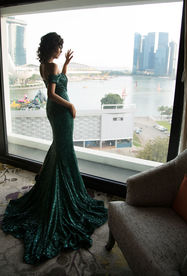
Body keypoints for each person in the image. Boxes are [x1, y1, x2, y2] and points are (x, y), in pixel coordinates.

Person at [1, 32, 108, 265]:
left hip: (54, 111)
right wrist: (70, 104)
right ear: (53, 47)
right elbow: (53, 93)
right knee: (65, 149)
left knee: (60, 149)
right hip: (61, 111)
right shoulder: (52, 64)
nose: (61, 50)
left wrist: (67, 65)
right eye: (59, 47)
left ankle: (51, 180)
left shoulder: (44, 65)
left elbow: (59, 83)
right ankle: (63, 192)